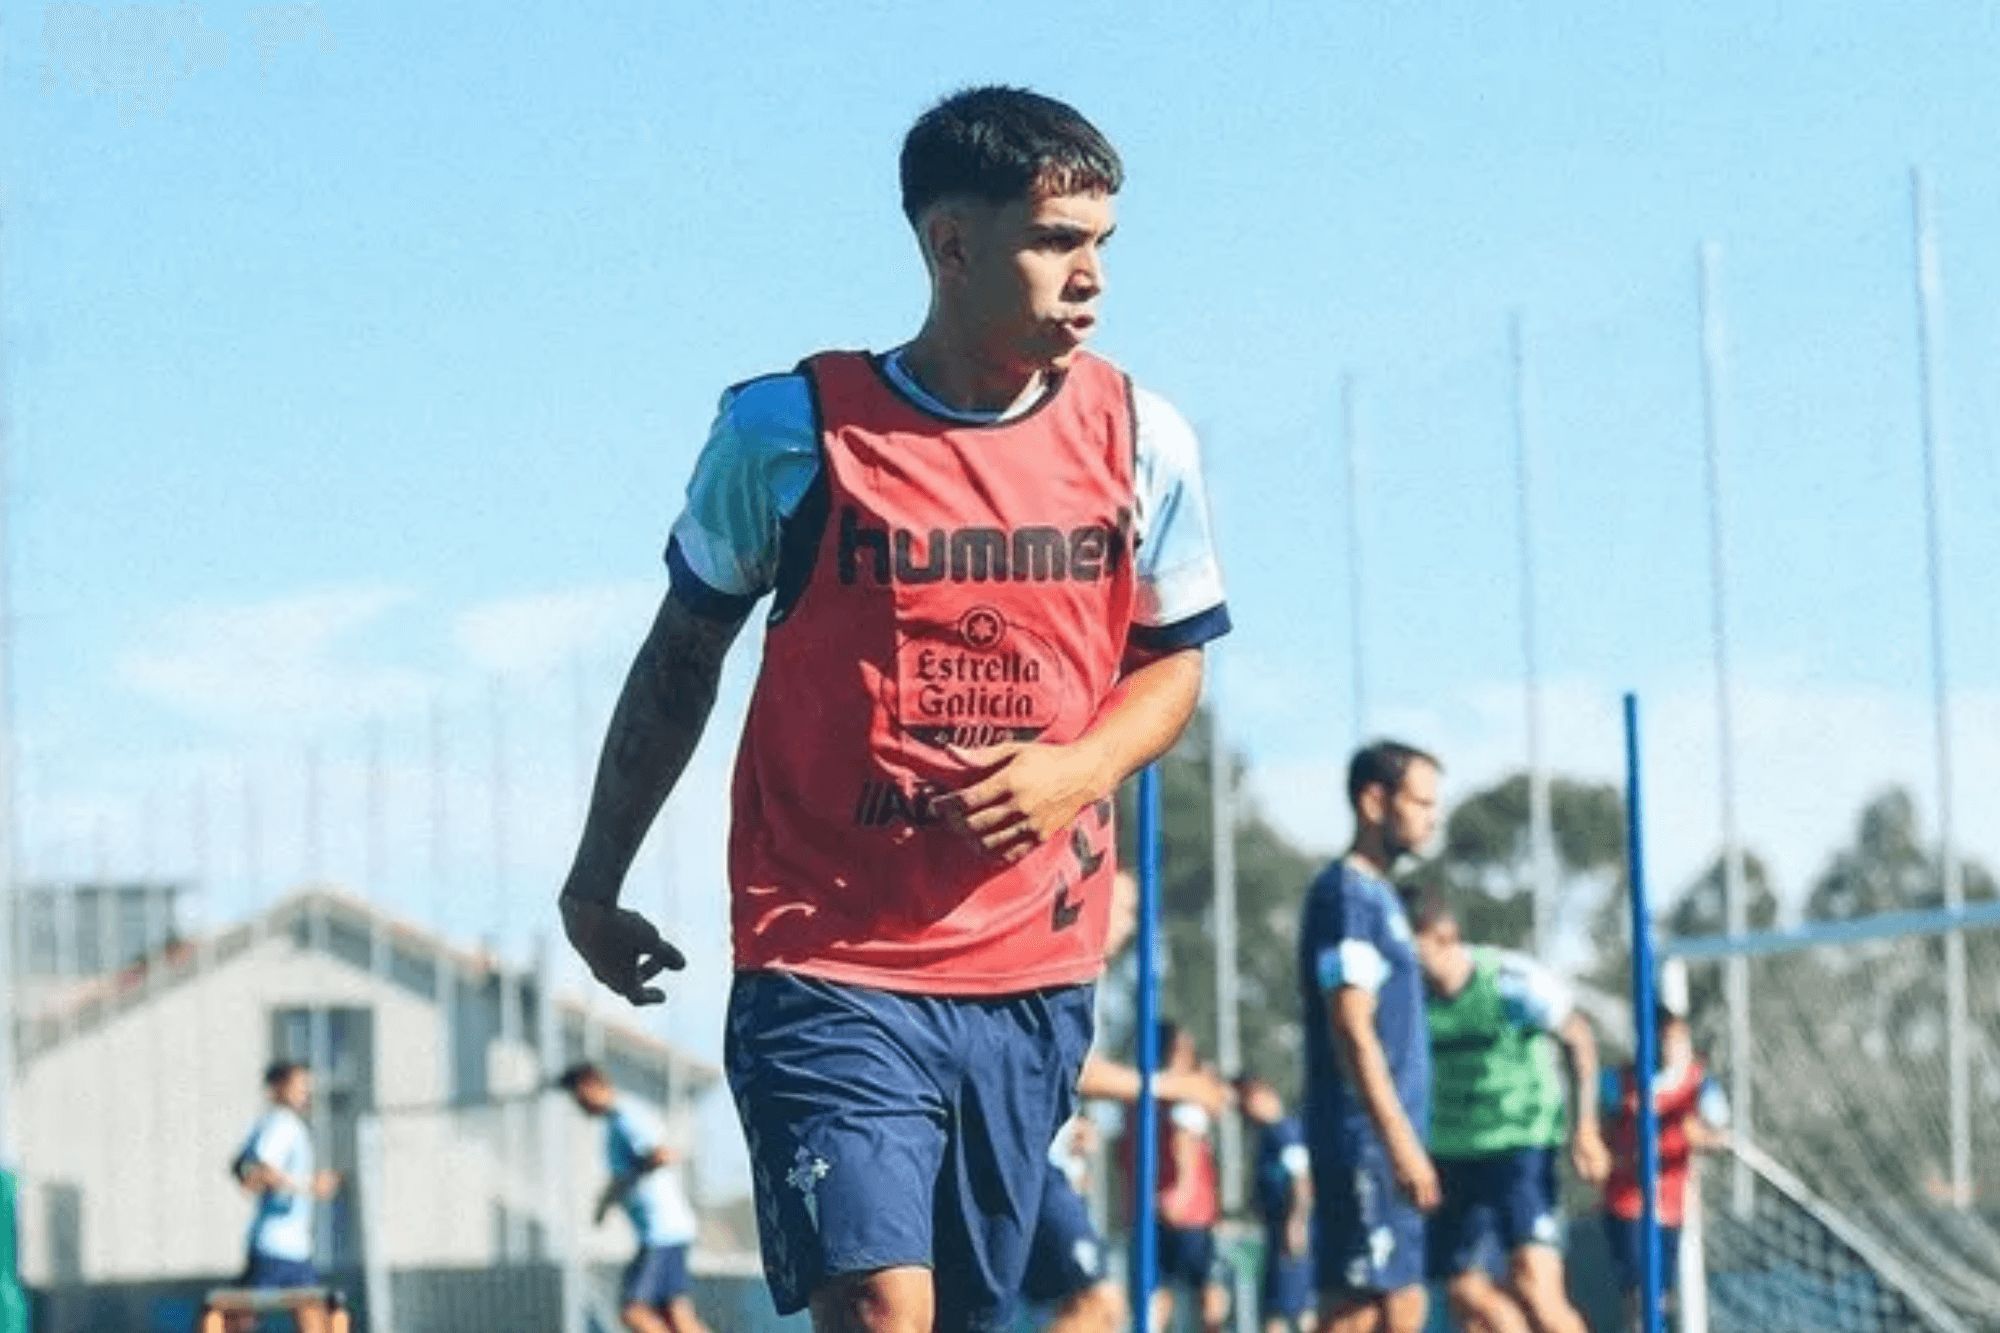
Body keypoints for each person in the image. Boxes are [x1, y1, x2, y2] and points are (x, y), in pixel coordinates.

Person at [557, 85, 1230, 1333]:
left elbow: (1171, 666)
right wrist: (594, 879)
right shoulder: (787, 431)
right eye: (1053, 241)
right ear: (951, 246)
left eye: (1101, 244)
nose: (1088, 277)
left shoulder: (1142, 437)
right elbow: (677, 660)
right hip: (828, 958)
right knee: (877, 1307)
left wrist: (1078, 769)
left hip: (1032, 968)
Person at [1411, 893, 1610, 1333]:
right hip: (1452, 1153)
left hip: (1520, 1147)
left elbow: (1578, 1037)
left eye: (1416, 951)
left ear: (1445, 939)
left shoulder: (1509, 980)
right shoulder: (1411, 998)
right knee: (1465, 1297)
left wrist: (1586, 1129)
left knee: (1536, 1288)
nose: (1412, 965)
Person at [1297, 741, 1442, 1333]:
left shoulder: (1382, 898)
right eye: (1422, 802)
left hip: (1387, 1141)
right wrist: (1399, 1142)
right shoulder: (1347, 896)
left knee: (1403, 1307)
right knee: (1356, 1313)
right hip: (1364, 1141)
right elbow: (1352, 1027)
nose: (1432, 817)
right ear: (1374, 801)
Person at [1600, 1007, 1730, 1332]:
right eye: (1664, 1041)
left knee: (1660, 1293)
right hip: (1626, 1203)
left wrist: (1696, 1135)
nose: (1671, 1048)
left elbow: (1719, 1135)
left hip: (1670, 1205)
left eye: (1678, 1041)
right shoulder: (1620, 1081)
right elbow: (1599, 1136)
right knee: (1637, 1291)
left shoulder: (1699, 1084)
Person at [558, 1063, 708, 1333]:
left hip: (662, 1232)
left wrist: (625, 1180)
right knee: (677, 1315)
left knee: (634, 1312)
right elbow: (624, 1175)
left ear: (589, 1086)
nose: (578, 1105)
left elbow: (662, 1154)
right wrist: (605, 1202)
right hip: (666, 1231)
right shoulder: (616, 1121)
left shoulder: (627, 1117)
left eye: (577, 1096)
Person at [229, 1062, 339, 1333]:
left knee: (313, 1318)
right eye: (299, 1086)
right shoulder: (282, 1123)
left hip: (292, 1246)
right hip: (275, 1245)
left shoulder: (274, 1123)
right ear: (278, 1088)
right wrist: (309, 1185)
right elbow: (260, 1171)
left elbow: (241, 1166)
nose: (305, 1093)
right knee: (241, 1320)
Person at [1146, 1022, 1230, 1333]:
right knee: (1207, 1293)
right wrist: (1182, 1190)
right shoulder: (1184, 1090)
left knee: (1162, 1292)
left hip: (1162, 1208)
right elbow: (1186, 1142)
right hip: (1189, 1213)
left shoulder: (1155, 1091)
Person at [1236, 1074, 1316, 1333]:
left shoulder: (1285, 1132)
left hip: (1289, 1232)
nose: (1243, 1111)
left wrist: (1296, 1222)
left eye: (1245, 1102)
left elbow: (1301, 1181)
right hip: (1276, 1232)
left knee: (1291, 1310)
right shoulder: (1267, 1136)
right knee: (1283, 1307)